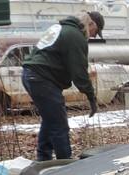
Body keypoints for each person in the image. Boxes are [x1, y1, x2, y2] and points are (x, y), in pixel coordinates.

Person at [21, 11, 104, 161]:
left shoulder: (60, 28)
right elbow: (79, 73)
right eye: (95, 32)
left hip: (32, 75)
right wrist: (91, 98)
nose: (92, 36)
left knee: (50, 120)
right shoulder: (75, 35)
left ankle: (43, 159)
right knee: (59, 125)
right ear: (91, 24)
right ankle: (65, 165)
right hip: (42, 79)